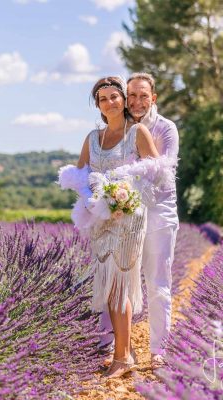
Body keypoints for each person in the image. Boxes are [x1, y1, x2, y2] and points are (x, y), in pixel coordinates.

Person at [77, 76, 159, 379]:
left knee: (120, 283)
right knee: (109, 284)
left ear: (123, 100)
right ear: (97, 105)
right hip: (100, 220)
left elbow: (156, 173)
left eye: (114, 96)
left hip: (129, 217)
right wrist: (91, 199)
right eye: (103, 98)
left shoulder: (138, 132)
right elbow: (79, 175)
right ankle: (122, 353)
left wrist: (127, 192)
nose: (109, 102)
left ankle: (123, 356)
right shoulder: (92, 138)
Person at [98, 73, 179, 370]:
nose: (136, 101)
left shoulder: (166, 129)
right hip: (126, 218)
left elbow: (165, 176)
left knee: (157, 284)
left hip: (158, 214)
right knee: (118, 281)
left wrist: (125, 184)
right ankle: (115, 347)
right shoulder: (121, 128)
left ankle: (158, 349)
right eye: (131, 95)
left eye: (143, 95)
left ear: (153, 97)